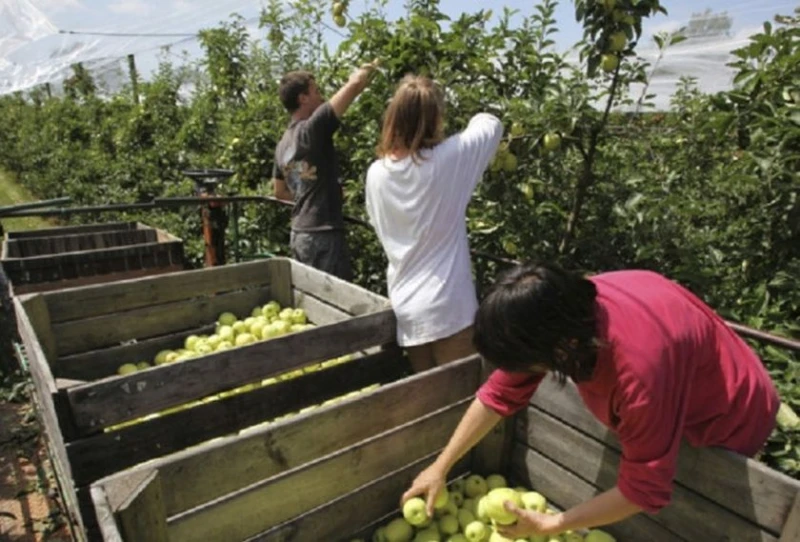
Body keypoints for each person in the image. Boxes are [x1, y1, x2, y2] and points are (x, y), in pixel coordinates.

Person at [401, 262, 780, 538]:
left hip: (728, 412)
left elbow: (646, 489)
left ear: (563, 349)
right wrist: (441, 467)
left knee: (704, 506)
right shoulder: (558, 315)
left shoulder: (639, 375)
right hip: (674, 381)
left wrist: (553, 524)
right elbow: (500, 392)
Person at [365, 75, 503, 373]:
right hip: (449, 307)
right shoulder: (449, 158)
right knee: (461, 400)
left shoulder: (376, 174)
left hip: (407, 308)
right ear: (435, 118)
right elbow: (491, 124)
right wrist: (474, 111)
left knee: (431, 404)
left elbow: (379, 225)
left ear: (392, 118)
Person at [272, 61, 378, 281]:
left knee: (310, 299)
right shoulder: (311, 130)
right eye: (316, 91)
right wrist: (372, 66)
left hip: (300, 233)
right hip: (324, 234)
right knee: (337, 302)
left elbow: (280, 192)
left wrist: (310, 193)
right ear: (303, 98)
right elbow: (355, 84)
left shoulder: (282, 144)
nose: (321, 97)